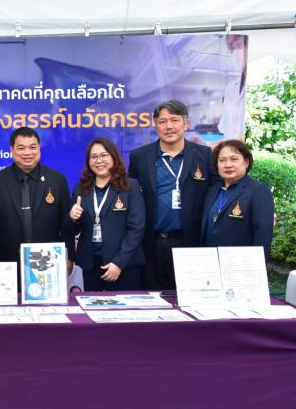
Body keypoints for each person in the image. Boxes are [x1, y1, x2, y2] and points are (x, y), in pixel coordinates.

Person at [127, 99, 217, 290]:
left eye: (175, 120)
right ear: (155, 125)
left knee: (188, 297)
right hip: (152, 243)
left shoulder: (204, 155)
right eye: (162, 121)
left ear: (186, 124)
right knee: (152, 299)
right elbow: (130, 197)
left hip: (190, 243)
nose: (169, 126)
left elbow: (219, 191)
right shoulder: (139, 156)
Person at [65, 138, 146, 291]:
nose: (99, 161)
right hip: (91, 265)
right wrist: (72, 218)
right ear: (88, 161)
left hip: (124, 265)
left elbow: (136, 228)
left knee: (124, 306)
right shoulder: (81, 189)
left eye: (104, 155)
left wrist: (119, 263)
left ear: (113, 157)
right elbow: (71, 230)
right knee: (91, 305)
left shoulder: (130, 186)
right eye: (94, 157)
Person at [0, 126, 73, 265]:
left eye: (32, 147)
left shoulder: (57, 180)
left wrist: (69, 256)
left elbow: (66, 224)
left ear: (39, 148)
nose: (27, 152)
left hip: (48, 262)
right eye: (21, 148)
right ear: (11, 150)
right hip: (8, 263)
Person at [201, 140, 274, 260]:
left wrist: (258, 264)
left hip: (239, 264)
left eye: (234, 159)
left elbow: (263, 234)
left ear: (246, 162)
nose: (228, 165)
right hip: (209, 261)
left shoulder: (258, 190)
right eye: (222, 160)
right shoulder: (212, 191)